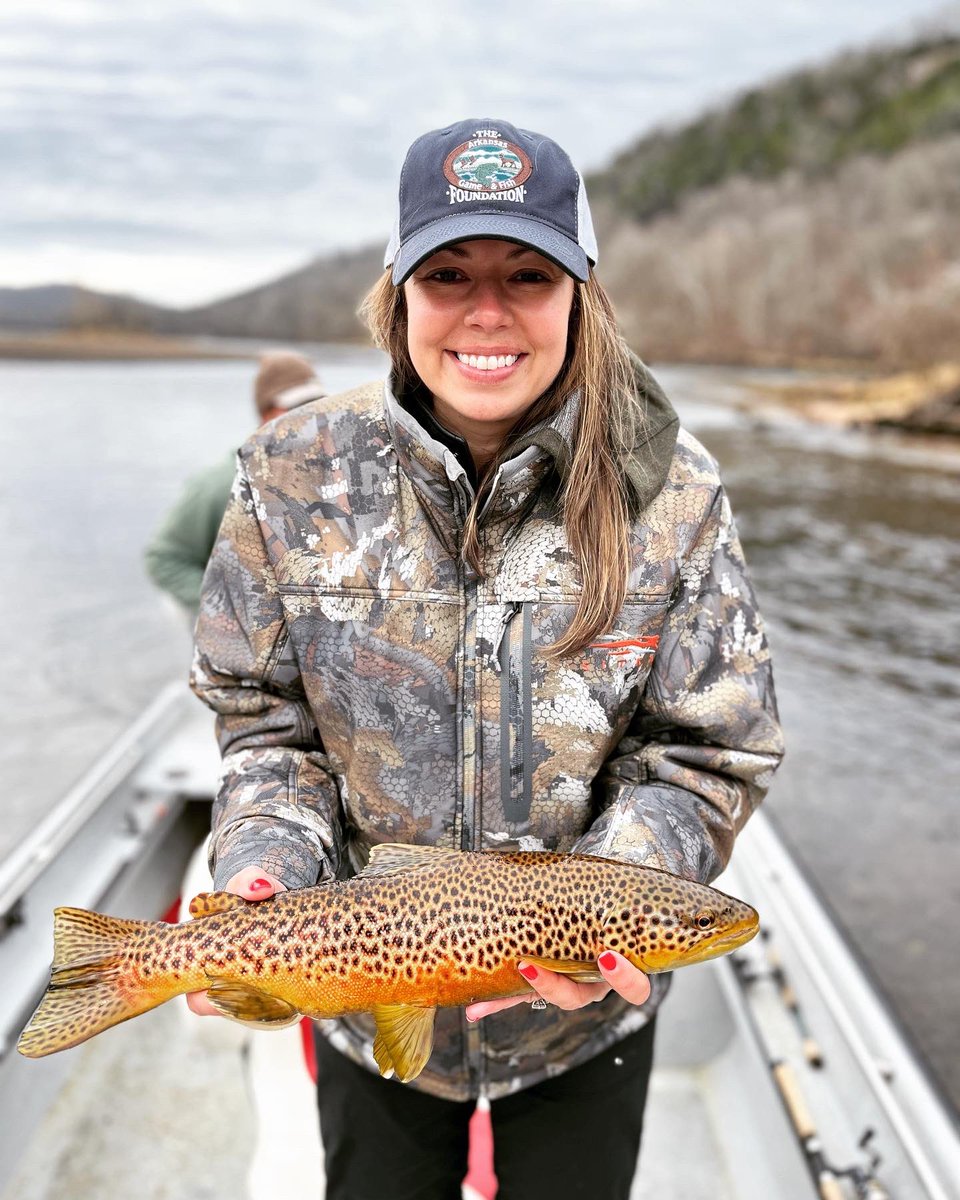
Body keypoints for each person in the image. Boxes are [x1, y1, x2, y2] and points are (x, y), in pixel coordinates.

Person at [188, 117, 784, 1200]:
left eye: (530, 273)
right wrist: (264, 866)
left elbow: (705, 756)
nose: (488, 312)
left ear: (581, 295)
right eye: (449, 272)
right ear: (398, 293)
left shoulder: (675, 493)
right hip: (370, 1012)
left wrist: (617, 906)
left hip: (584, 1033)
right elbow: (266, 728)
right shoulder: (287, 475)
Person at [144, 350, 326, 620]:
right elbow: (165, 558)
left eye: (320, 405)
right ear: (269, 414)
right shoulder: (218, 485)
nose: (315, 417)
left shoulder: (329, 476)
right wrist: (222, 607)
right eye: (301, 407)